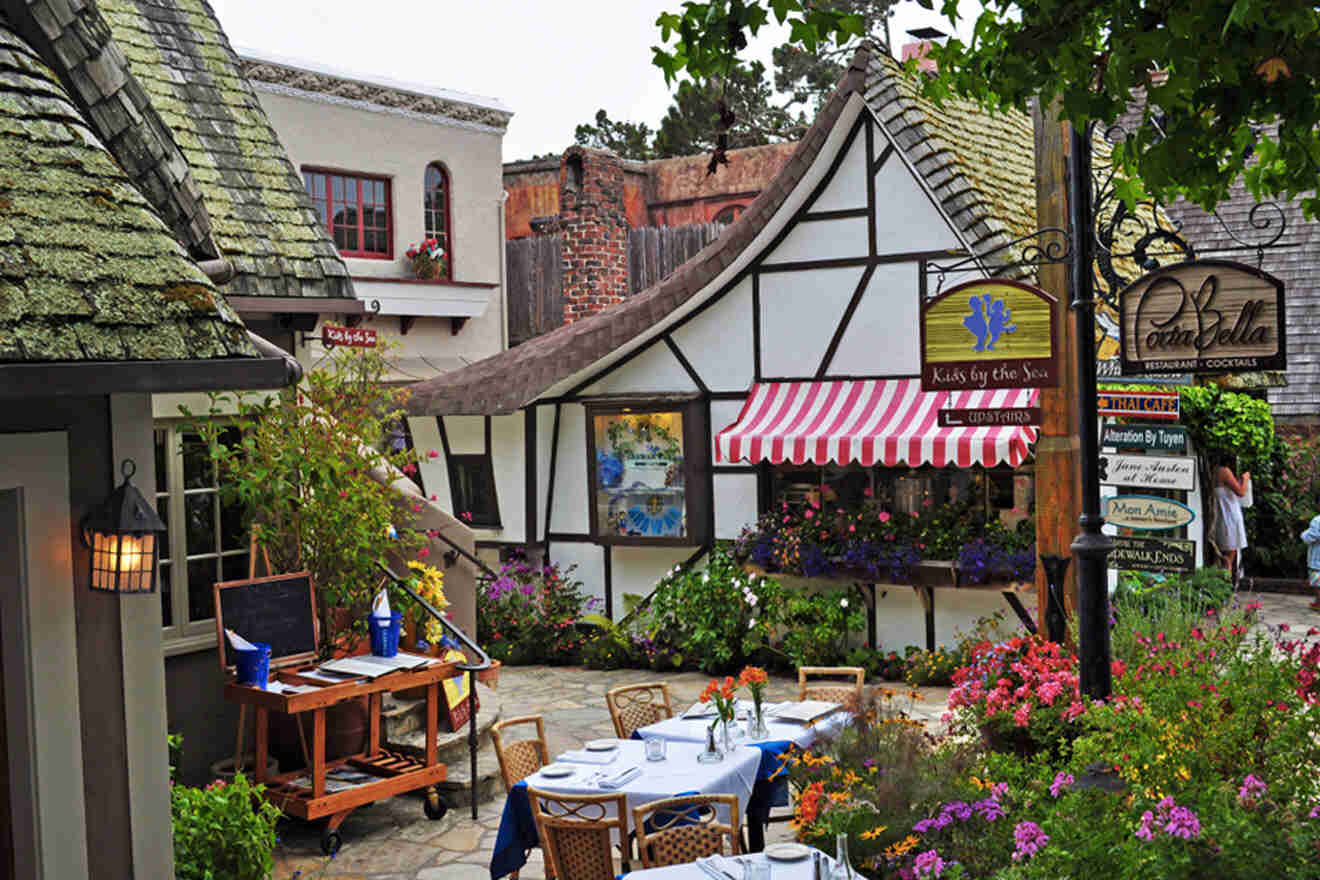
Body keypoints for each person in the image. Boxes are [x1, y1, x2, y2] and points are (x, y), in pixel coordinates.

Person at [1213, 458, 1250, 583]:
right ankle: (1225, 585)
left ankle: (1224, 583)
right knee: (1229, 555)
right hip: (1229, 515)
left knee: (1226, 553)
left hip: (1220, 515)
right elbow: (1241, 492)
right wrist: (1245, 478)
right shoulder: (1224, 471)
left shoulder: (1213, 472)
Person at [1301, 509, 1320, 612]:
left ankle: (1319, 603)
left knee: (1317, 583)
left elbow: (1312, 536)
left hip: (1317, 559)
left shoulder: (1317, 520)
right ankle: (1318, 601)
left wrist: (1304, 535)